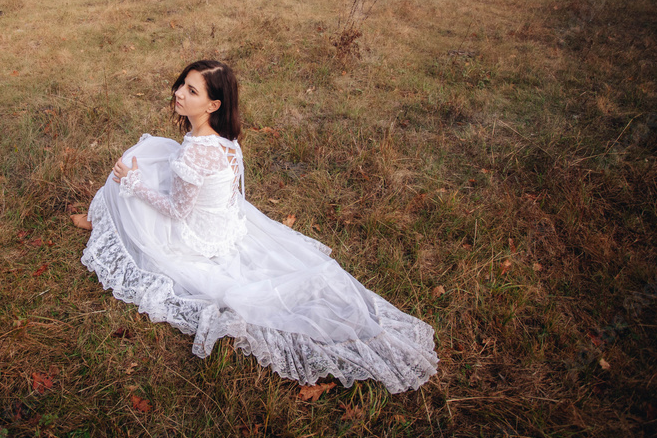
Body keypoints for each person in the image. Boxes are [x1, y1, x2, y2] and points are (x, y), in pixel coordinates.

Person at [77, 60, 438, 391]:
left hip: (196, 235)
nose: (178, 93)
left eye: (191, 91)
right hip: (225, 222)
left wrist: (134, 185)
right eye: (182, 85)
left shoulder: (194, 152)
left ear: (212, 105)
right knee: (152, 154)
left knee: (125, 176)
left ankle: (99, 221)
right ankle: (98, 217)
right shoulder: (225, 139)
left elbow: (177, 212)